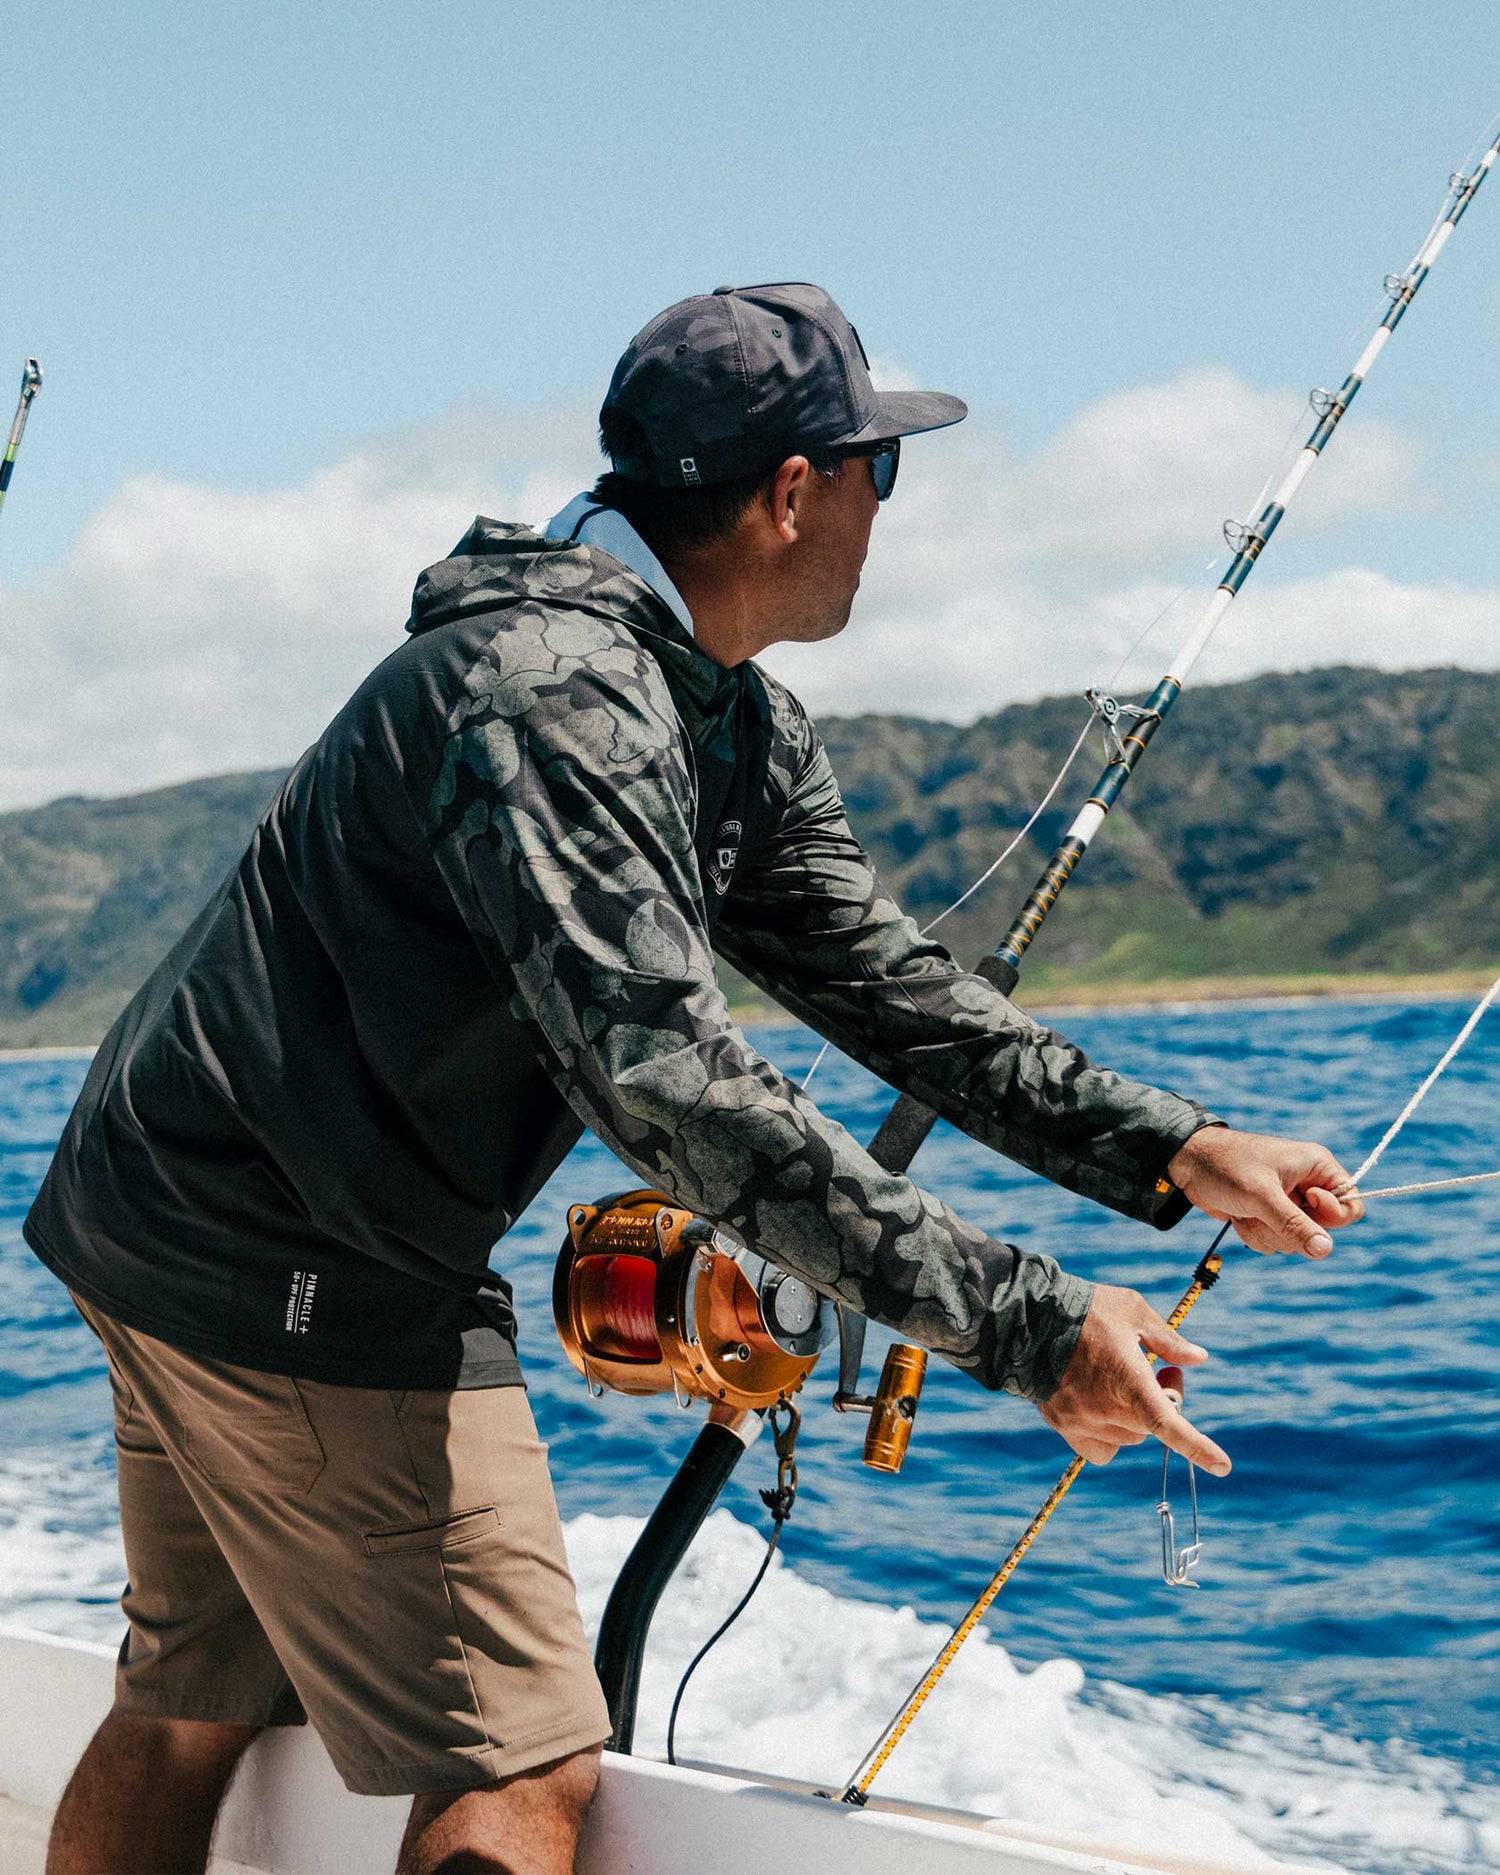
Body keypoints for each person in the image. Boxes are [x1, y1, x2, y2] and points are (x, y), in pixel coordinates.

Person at [25, 282, 1362, 1875]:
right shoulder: (560, 695)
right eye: (880, 471)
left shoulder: (715, 713)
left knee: (193, 1701)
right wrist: (1033, 1324)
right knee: (522, 1764)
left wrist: (1178, 1149)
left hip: (149, 1202)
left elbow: (889, 987)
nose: (884, 510)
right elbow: (667, 1085)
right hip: (302, 1261)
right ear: (793, 492)